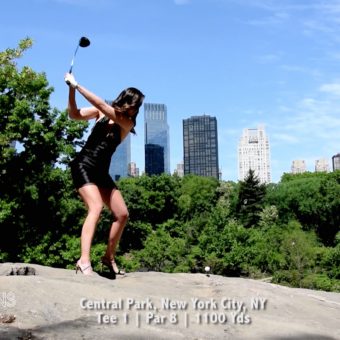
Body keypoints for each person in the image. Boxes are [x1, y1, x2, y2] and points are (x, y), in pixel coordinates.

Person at [64, 72, 144, 276]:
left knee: (122, 214)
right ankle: (83, 260)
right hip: (83, 165)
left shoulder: (127, 124)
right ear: (125, 101)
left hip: (101, 172)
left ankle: (108, 257)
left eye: (137, 107)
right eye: (134, 104)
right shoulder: (102, 114)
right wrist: (71, 90)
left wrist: (78, 85)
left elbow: (102, 106)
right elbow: (73, 114)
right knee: (96, 207)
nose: (135, 109)